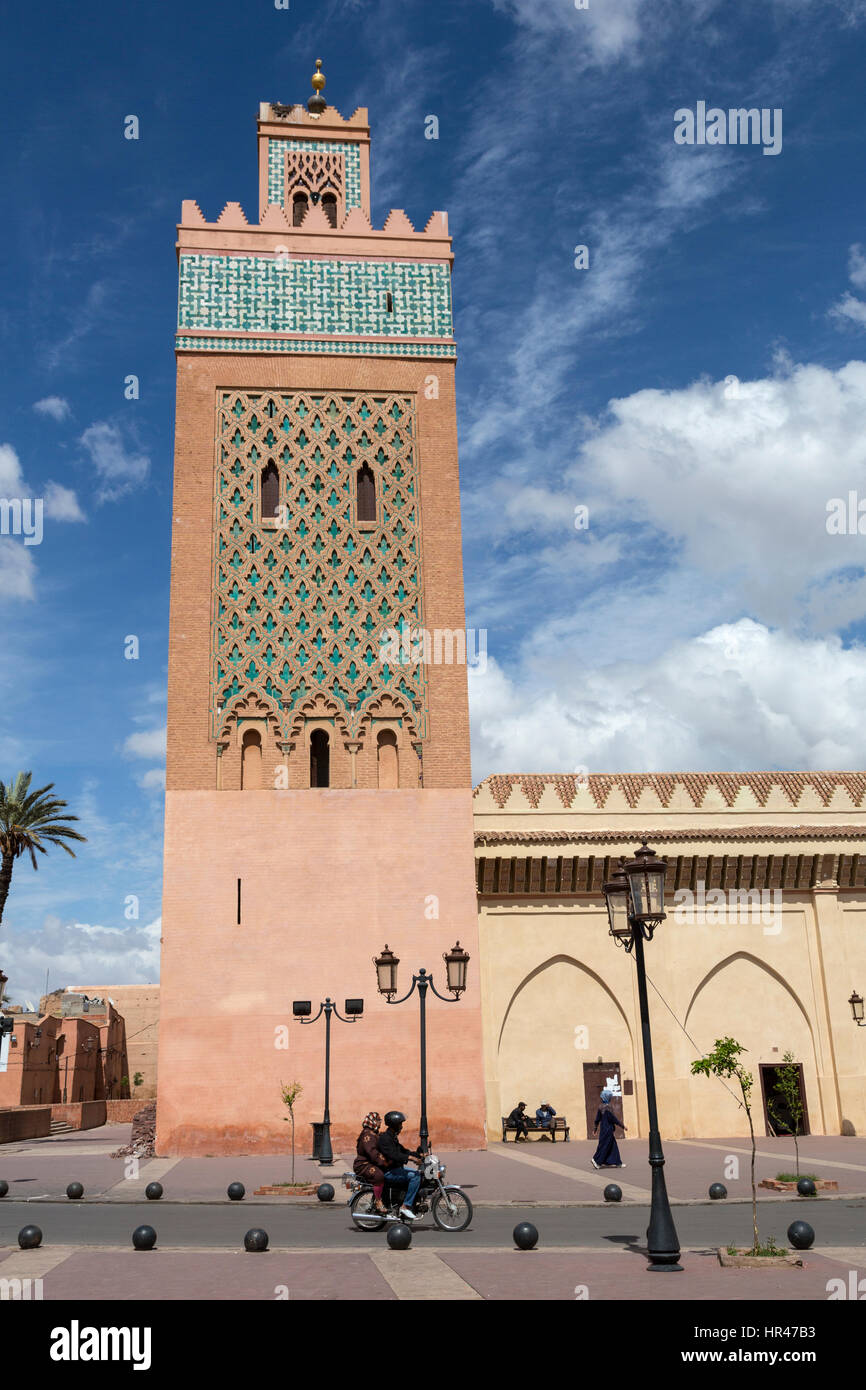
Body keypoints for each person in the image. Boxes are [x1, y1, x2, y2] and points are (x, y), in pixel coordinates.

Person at [377, 1110, 423, 1220]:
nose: (401, 1127)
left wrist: (419, 1154)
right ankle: (405, 1206)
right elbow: (393, 1155)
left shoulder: (392, 1137)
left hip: (395, 1169)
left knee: (418, 1173)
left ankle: (408, 1202)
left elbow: (402, 1151)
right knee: (415, 1177)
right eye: (400, 1124)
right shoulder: (385, 1138)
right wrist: (410, 1158)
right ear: (394, 1125)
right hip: (388, 1172)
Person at [353, 1110, 388, 1214]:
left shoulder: (373, 1133)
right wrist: (384, 1162)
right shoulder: (367, 1135)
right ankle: (378, 1201)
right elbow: (372, 1153)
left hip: (370, 1163)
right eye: (378, 1120)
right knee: (379, 1175)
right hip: (363, 1165)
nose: (380, 1123)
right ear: (372, 1121)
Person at [591, 1088, 627, 1169]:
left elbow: (597, 1119)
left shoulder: (600, 1107)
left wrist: (595, 1129)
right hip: (608, 1130)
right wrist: (623, 1126)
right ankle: (596, 1160)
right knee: (605, 1146)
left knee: (612, 1146)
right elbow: (614, 1119)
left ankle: (618, 1163)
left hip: (603, 1130)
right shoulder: (608, 1107)